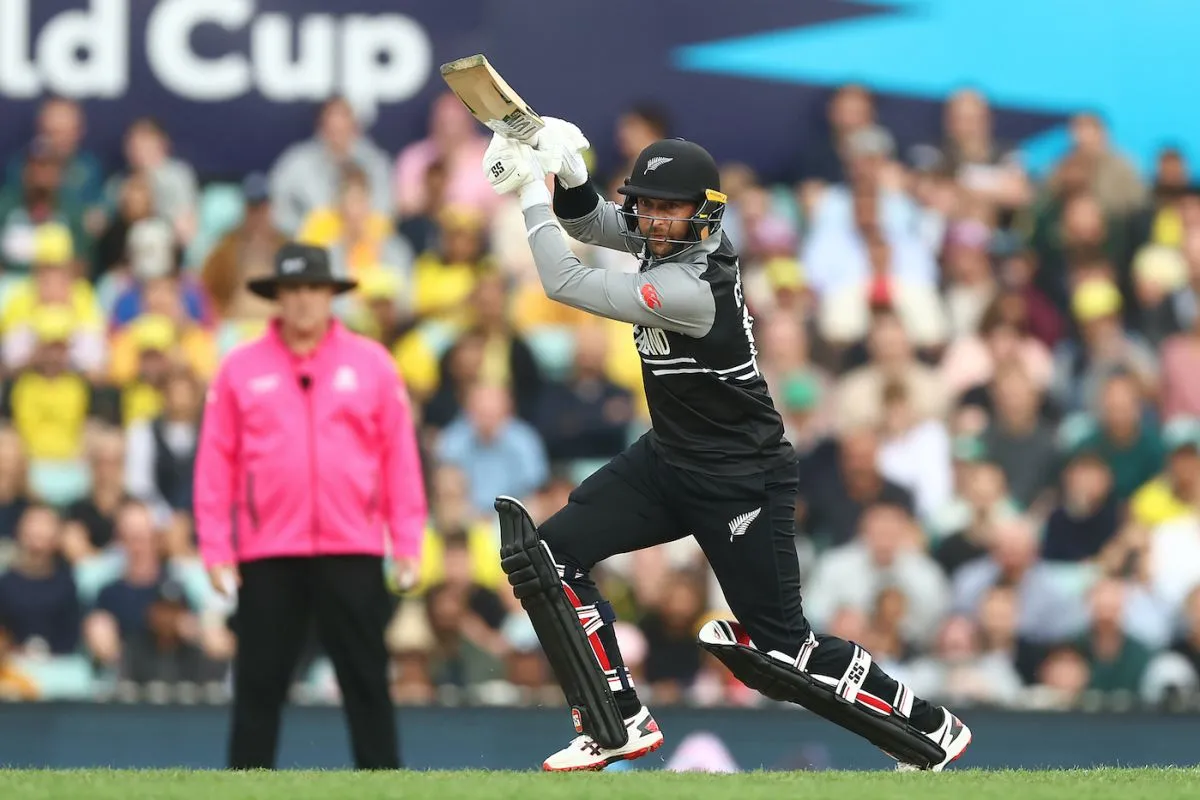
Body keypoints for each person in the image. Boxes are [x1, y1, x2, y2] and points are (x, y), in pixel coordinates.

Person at [482, 122, 972, 772]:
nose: (653, 220)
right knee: (550, 554)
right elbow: (599, 223)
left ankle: (929, 727)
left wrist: (527, 194)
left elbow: (566, 281)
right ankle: (616, 721)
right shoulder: (670, 238)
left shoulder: (690, 288)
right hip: (669, 458)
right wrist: (567, 170)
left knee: (784, 651)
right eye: (647, 205)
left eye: (668, 208)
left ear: (703, 214)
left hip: (741, 479)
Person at [194, 243, 427, 770]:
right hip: (267, 550)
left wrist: (407, 542)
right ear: (277, 296)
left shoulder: (372, 364)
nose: (302, 300)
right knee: (258, 687)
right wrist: (215, 549)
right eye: (293, 289)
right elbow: (215, 466)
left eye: (313, 289)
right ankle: (247, 786)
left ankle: (383, 785)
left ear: (331, 295)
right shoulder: (239, 368)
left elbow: (400, 462)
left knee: (367, 682)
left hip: (354, 547)